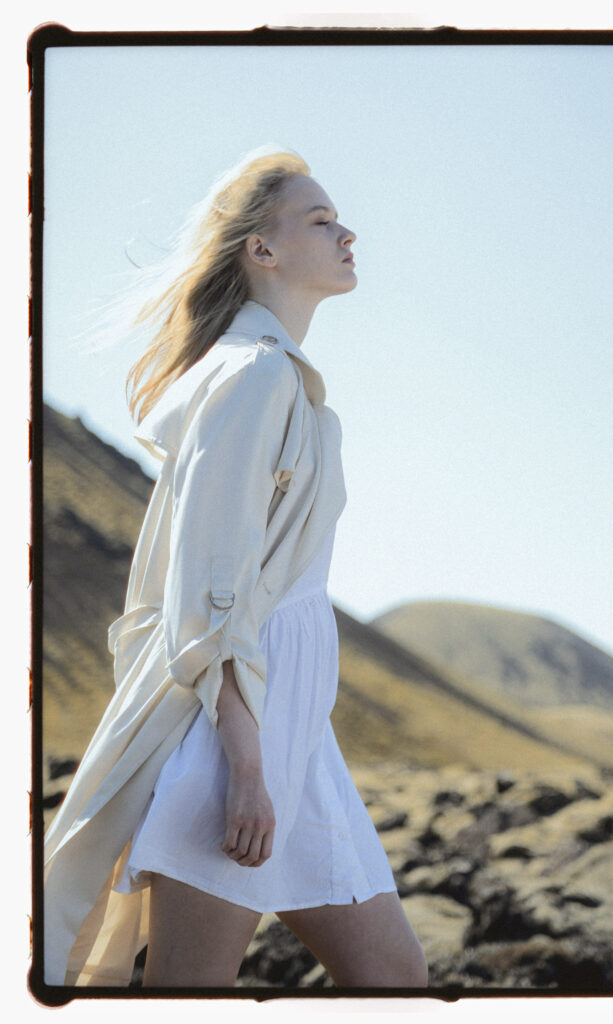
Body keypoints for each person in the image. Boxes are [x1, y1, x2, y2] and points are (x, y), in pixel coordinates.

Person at [43, 148, 428, 990]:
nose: (347, 232)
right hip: (233, 732)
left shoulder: (285, 383)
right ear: (263, 249)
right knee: (187, 992)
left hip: (294, 729)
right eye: (321, 221)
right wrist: (246, 767)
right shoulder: (251, 378)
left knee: (398, 982)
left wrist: (280, 750)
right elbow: (206, 589)